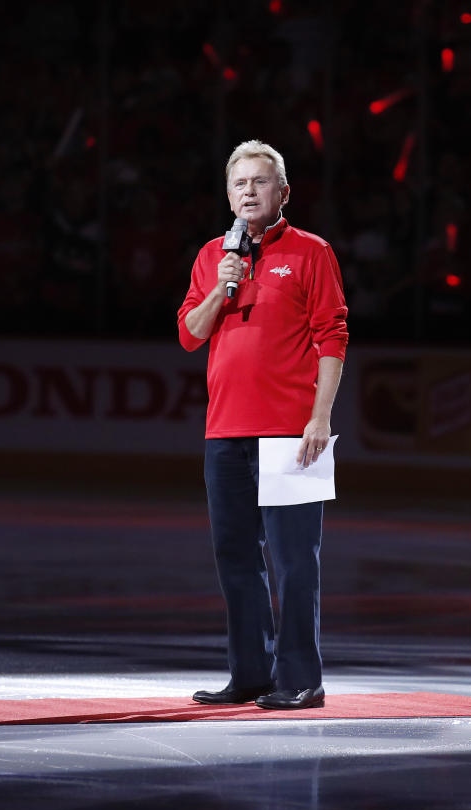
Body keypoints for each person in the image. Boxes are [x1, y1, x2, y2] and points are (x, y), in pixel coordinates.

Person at [177, 140, 349, 710]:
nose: (249, 192)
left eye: (260, 181)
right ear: (228, 195)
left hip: (290, 433)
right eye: (239, 184)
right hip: (224, 432)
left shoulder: (311, 252)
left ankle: (301, 676)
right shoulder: (211, 256)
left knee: (295, 562)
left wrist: (320, 416)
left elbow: (332, 335)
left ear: (283, 192)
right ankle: (249, 673)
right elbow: (190, 333)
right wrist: (222, 289)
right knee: (236, 558)